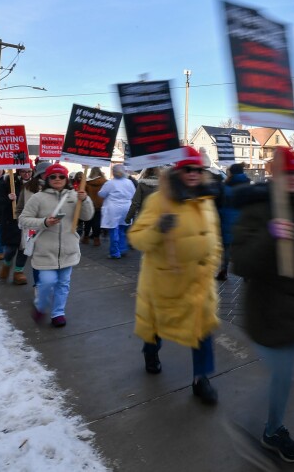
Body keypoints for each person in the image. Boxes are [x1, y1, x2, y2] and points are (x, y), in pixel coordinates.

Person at [231, 146, 294, 463]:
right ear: (275, 176)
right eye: (289, 174)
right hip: (268, 310)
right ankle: (270, 430)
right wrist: (269, 236)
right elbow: (241, 263)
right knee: (284, 376)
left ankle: (269, 423)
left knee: (287, 377)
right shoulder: (257, 209)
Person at [128, 147, 222, 405]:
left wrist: (213, 263)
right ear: (179, 171)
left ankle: (201, 379)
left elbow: (214, 237)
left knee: (202, 329)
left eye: (198, 169)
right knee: (156, 326)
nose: (193, 174)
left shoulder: (206, 200)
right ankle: (150, 350)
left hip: (199, 282)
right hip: (165, 281)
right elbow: (136, 238)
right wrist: (158, 229)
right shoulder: (159, 200)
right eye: (188, 169)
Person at [19, 163, 94, 328]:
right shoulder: (38, 197)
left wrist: (86, 200)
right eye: (53, 176)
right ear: (47, 178)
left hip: (69, 249)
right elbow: (23, 219)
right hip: (45, 251)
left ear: (66, 178)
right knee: (46, 282)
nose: (57, 179)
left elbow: (87, 217)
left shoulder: (75, 196)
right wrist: (45, 222)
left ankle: (58, 313)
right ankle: (40, 306)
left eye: (61, 176)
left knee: (63, 283)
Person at [18, 161, 51, 289]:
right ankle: (38, 285)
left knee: (48, 259)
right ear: (39, 174)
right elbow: (20, 208)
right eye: (46, 173)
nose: (49, 176)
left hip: (50, 229)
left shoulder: (56, 188)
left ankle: (46, 284)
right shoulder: (28, 188)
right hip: (33, 229)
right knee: (37, 259)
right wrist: (21, 222)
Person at [216, 163, 251, 281]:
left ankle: (223, 271)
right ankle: (247, 274)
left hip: (226, 220)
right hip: (243, 220)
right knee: (244, 248)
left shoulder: (225, 186)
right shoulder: (248, 185)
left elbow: (219, 204)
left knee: (226, 248)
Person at [0, 168, 33, 285]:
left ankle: (18, 272)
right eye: (24, 171)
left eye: (29, 171)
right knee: (10, 249)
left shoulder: (35, 185)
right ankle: (7, 264)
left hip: (27, 221)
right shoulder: (8, 182)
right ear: (19, 172)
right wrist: (8, 199)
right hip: (11, 221)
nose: (26, 174)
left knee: (24, 249)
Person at [98, 164, 136, 259]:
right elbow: (134, 193)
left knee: (114, 229)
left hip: (113, 208)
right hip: (126, 207)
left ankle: (115, 252)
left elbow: (102, 194)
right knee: (123, 229)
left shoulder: (110, 183)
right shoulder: (129, 182)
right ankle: (122, 249)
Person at [82, 167, 107, 246]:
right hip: (100, 204)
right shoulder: (105, 182)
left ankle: (85, 238)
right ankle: (97, 239)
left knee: (87, 222)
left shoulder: (87, 182)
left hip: (89, 204)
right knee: (97, 222)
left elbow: (84, 193)